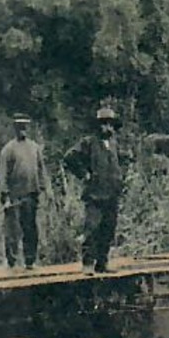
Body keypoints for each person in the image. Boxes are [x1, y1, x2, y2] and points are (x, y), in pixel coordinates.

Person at [63, 105, 126, 273]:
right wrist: (84, 174)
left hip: (112, 194)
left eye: (110, 124)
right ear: (98, 126)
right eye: (104, 124)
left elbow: (117, 164)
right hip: (95, 194)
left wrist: (120, 180)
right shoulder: (89, 142)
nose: (107, 127)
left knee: (108, 229)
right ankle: (88, 264)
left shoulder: (113, 144)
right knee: (92, 229)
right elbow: (70, 157)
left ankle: (102, 263)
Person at [0, 113, 48, 269]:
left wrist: (43, 190)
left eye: (25, 126)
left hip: (31, 195)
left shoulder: (35, 147)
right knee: (12, 231)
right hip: (14, 196)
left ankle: (30, 261)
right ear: (15, 128)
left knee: (30, 228)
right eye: (19, 126)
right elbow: (3, 174)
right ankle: (11, 262)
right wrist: (5, 197)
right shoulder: (8, 149)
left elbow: (41, 170)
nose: (22, 129)